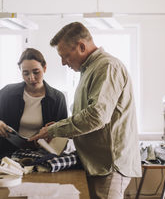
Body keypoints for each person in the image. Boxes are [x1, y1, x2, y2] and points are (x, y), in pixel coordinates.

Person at [29, 22, 141, 199]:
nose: (63, 62)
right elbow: (88, 114)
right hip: (96, 164)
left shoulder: (107, 67)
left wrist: (53, 130)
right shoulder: (89, 70)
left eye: (65, 56)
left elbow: (96, 116)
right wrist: (60, 126)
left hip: (108, 166)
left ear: (81, 46)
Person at [0, 48, 68, 157]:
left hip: (43, 156)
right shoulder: (8, 93)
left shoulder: (57, 98)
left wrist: (51, 134)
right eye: (25, 73)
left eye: (36, 72)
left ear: (44, 68)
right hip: (10, 155)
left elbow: (64, 134)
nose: (31, 78)